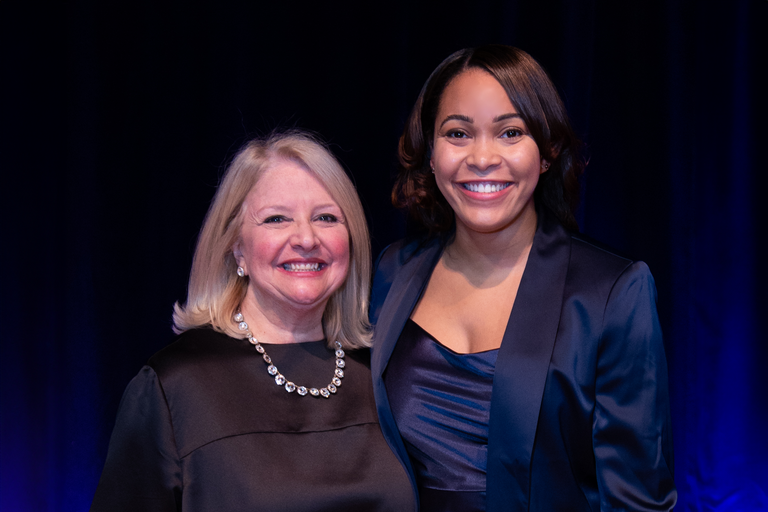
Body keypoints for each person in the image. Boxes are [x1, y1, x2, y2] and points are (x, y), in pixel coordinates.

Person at [369, 45, 676, 511]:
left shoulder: (612, 291)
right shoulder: (393, 271)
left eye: (510, 132)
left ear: (547, 152)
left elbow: (638, 501)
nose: (482, 157)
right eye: (458, 134)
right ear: (431, 153)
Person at [91, 131, 415, 511]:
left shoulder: (385, 374)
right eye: (277, 219)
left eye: (326, 218)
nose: (306, 238)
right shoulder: (173, 386)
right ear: (237, 246)